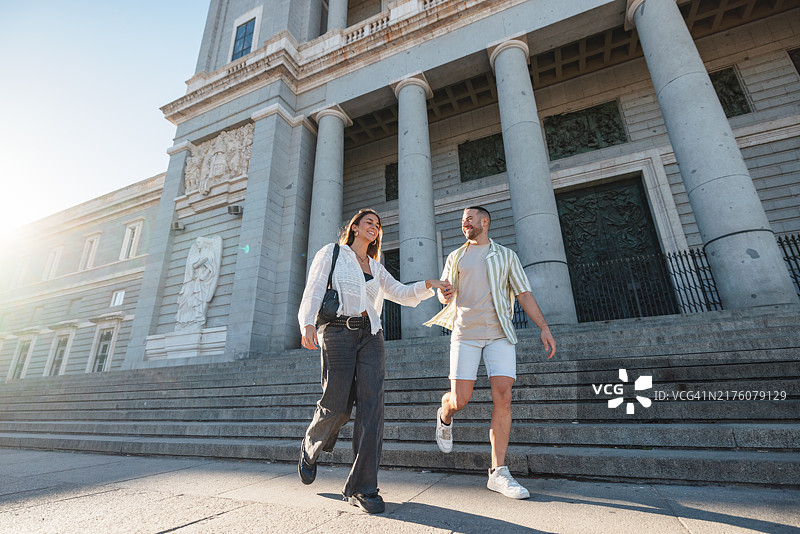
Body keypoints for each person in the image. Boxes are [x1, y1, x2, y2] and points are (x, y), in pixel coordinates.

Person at [297, 208, 451, 514]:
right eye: (369, 222)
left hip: (371, 335)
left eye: (378, 225)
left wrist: (430, 284)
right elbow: (314, 288)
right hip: (337, 332)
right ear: (354, 228)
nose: (374, 227)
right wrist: (307, 324)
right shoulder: (332, 253)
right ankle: (310, 446)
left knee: (372, 409)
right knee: (337, 404)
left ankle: (363, 487)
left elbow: (402, 293)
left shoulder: (377, 267)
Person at [424, 206, 556, 499]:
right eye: (462, 220)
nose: (464, 223)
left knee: (503, 395)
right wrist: (442, 293)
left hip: (499, 334)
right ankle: (445, 415)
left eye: (469, 218)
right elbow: (444, 290)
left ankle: (498, 472)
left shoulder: (507, 256)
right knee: (460, 399)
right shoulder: (455, 257)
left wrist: (544, 327)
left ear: (485, 222)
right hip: (465, 334)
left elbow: (524, 294)